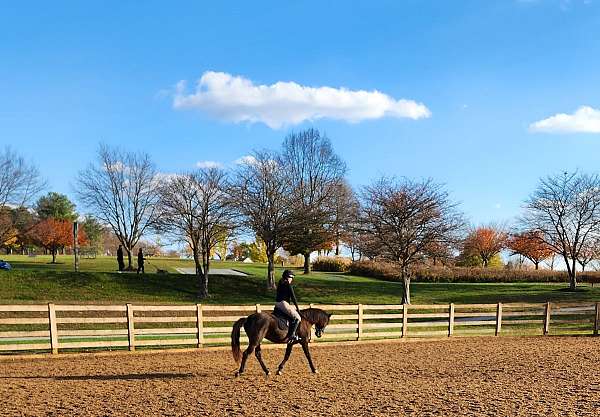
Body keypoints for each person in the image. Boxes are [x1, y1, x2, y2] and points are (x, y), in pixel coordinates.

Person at [275, 270, 302, 343]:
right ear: (287, 277)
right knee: (298, 317)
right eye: (291, 277)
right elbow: (293, 298)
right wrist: (298, 309)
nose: (292, 279)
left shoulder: (280, 283)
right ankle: (292, 335)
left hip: (277, 304)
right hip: (284, 303)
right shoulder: (288, 285)